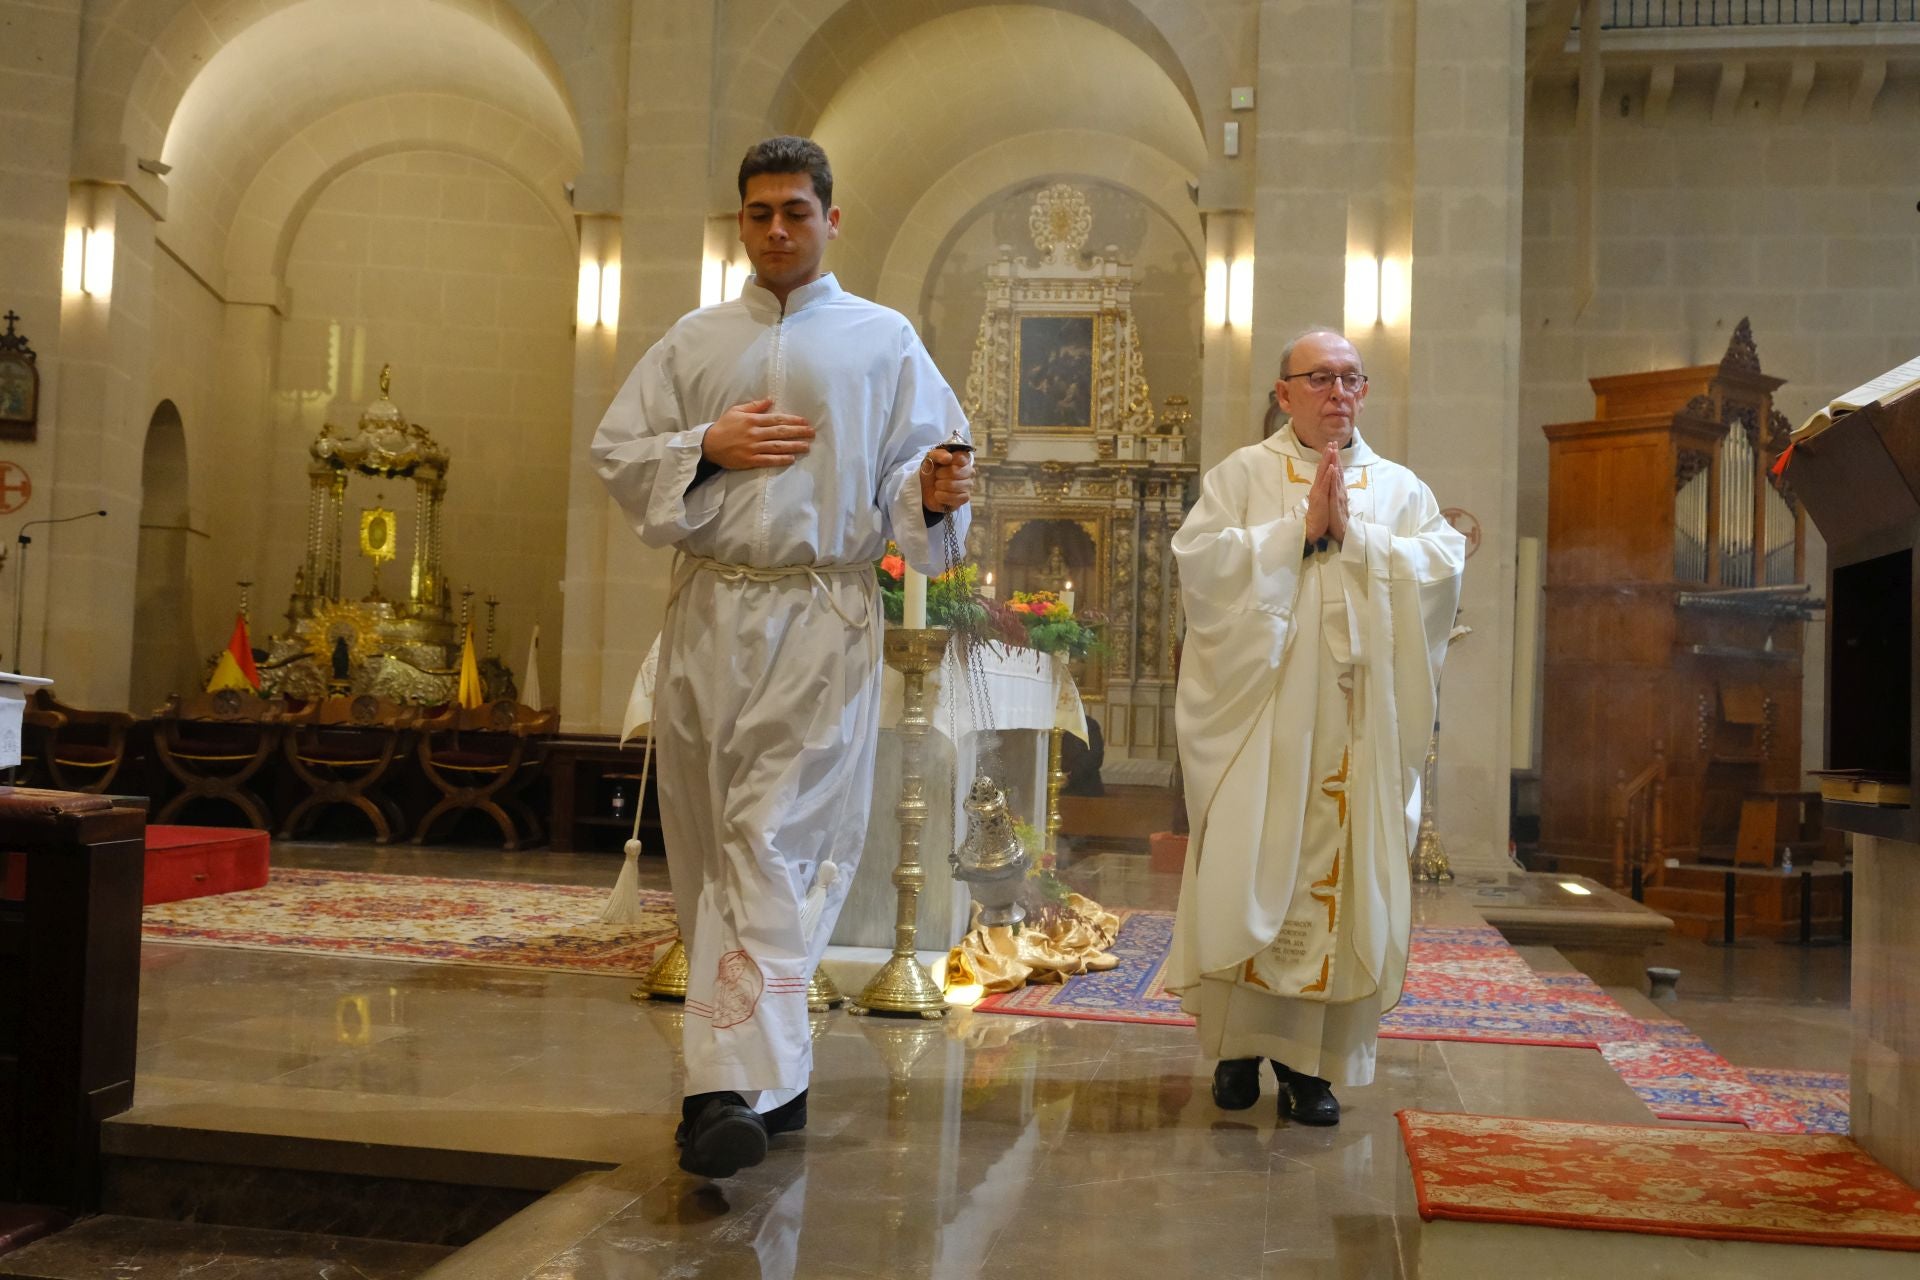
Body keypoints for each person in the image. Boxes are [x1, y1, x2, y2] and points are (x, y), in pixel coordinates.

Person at [592, 136, 974, 1178]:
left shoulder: (883, 338)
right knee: (718, 849)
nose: (775, 230)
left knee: (770, 841)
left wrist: (934, 493)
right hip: (710, 616)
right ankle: (779, 1075)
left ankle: (720, 1087)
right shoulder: (695, 337)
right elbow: (619, 453)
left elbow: (931, 467)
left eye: (795, 212)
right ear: (741, 221)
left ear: (831, 219)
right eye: (758, 213)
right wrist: (705, 448)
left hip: (819, 616)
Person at [1166, 328, 1465, 1125]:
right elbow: (1198, 561)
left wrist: (1359, 539)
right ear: (1283, 391)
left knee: (1336, 869)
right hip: (1261, 715)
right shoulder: (1241, 476)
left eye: (1351, 379)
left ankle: (1312, 1068)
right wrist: (1294, 531)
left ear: (1365, 393)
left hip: (1354, 720)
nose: (1338, 393)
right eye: (1320, 378)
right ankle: (1235, 1049)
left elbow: (1443, 565)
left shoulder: (1400, 489)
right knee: (1248, 860)